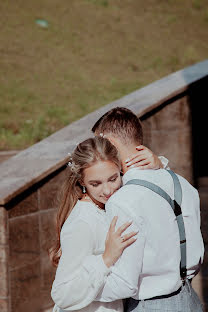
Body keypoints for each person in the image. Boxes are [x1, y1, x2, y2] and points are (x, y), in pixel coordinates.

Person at [91, 107, 204, 312]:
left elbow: (125, 283)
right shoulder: (184, 185)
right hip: (190, 300)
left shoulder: (122, 200)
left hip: (150, 306)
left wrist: (79, 286)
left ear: (111, 144)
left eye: (99, 145)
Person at [50, 136, 166, 312]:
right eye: (95, 184)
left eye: (113, 179)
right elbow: (62, 293)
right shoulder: (83, 223)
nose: (107, 190)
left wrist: (159, 164)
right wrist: (106, 258)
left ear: (120, 170)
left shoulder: (112, 202)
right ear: (81, 182)